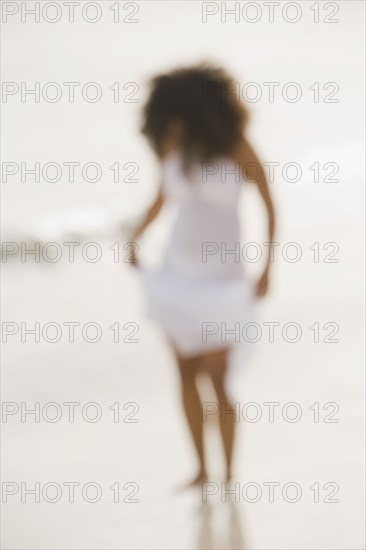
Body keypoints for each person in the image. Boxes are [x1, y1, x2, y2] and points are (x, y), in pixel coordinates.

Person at [130, 65, 276, 485]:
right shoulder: (172, 145)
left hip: (223, 281)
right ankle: (201, 470)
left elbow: (269, 203)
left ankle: (228, 473)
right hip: (176, 274)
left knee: (217, 378)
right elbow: (160, 200)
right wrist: (135, 239)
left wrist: (268, 265)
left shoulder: (236, 147)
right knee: (184, 374)